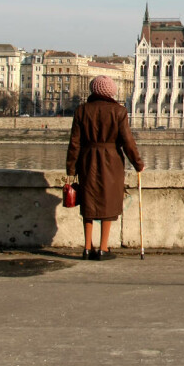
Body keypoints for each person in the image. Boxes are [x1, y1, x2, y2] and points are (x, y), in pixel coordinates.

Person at [65, 75, 145, 261]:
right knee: (108, 203)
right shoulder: (119, 111)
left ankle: (87, 248)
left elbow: (74, 143)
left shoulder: (81, 110)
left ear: (93, 90)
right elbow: (128, 141)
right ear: (111, 92)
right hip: (111, 161)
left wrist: (71, 169)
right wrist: (138, 163)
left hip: (87, 159)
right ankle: (103, 248)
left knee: (88, 203)